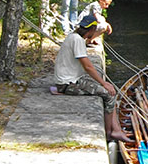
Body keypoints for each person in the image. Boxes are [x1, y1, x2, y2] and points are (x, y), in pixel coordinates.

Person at [53, 13, 127, 141]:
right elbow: (88, 67)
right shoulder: (77, 41)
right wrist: (103, 83)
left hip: (70, 79)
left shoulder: (73, 36)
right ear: (92, 30)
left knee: (110, 90)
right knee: (109, 94)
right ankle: (109, 134)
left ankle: (116, 129)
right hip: (68, 84)